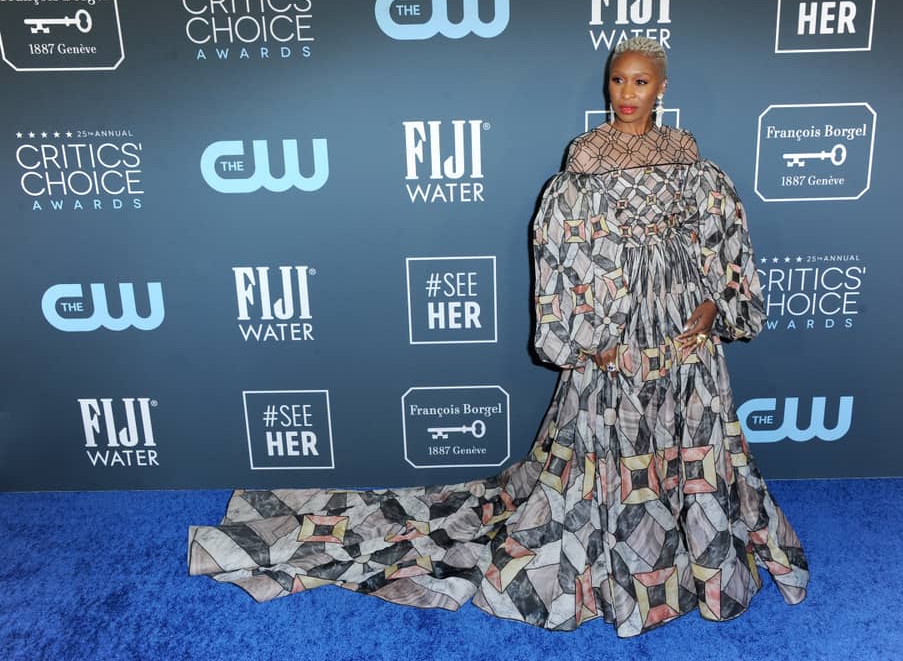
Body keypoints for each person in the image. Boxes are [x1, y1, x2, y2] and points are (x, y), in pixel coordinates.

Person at [188, 37, 809, 638]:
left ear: (662, 88)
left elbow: (721, 239)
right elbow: (564, 255)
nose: (626, 92)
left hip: (682, 336)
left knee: (694, 446)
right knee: (609, 456)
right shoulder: (584, 160)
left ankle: (698, 560)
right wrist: (591, 335)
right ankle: (619, 567)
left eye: (639, 81)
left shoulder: (690, 157)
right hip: (612, 335)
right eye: (617, 79)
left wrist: (712, 303)